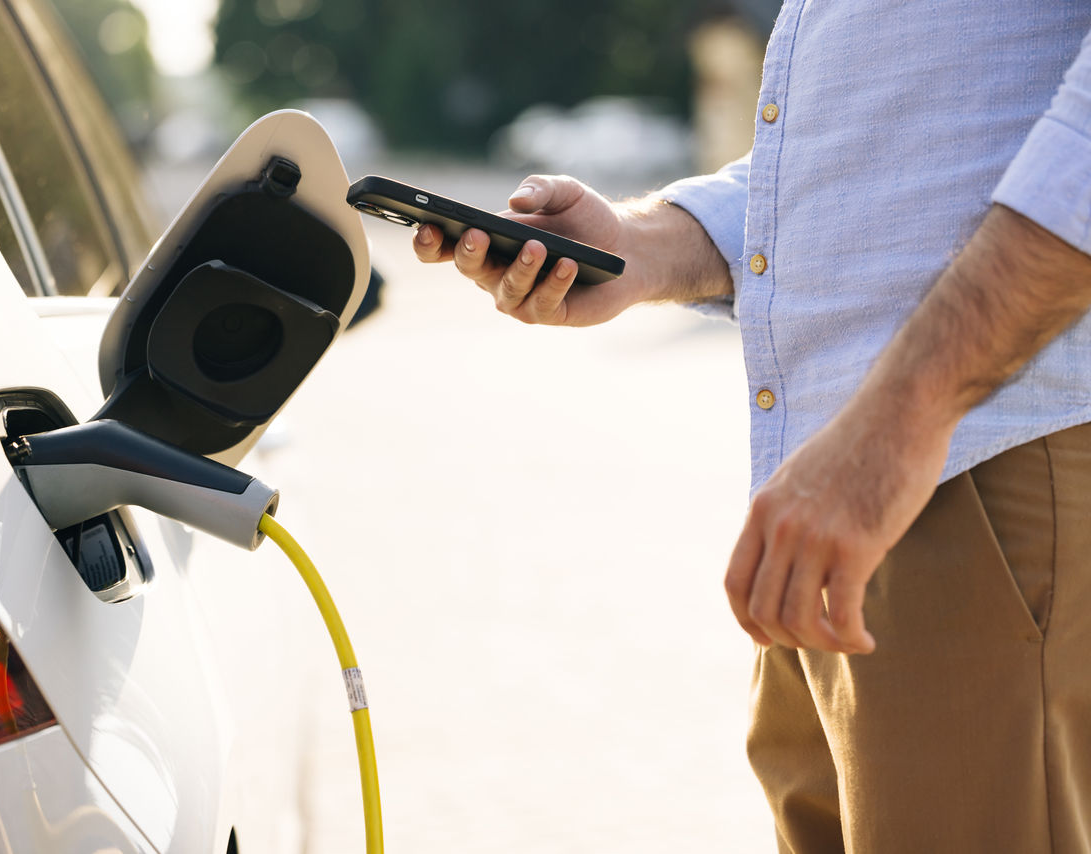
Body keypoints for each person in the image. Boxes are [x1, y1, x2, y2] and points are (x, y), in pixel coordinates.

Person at [413, 3, 1091, 851]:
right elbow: (866, 156)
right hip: (842, 492)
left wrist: (903, 416)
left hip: (970, 460)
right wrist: (644, 244)